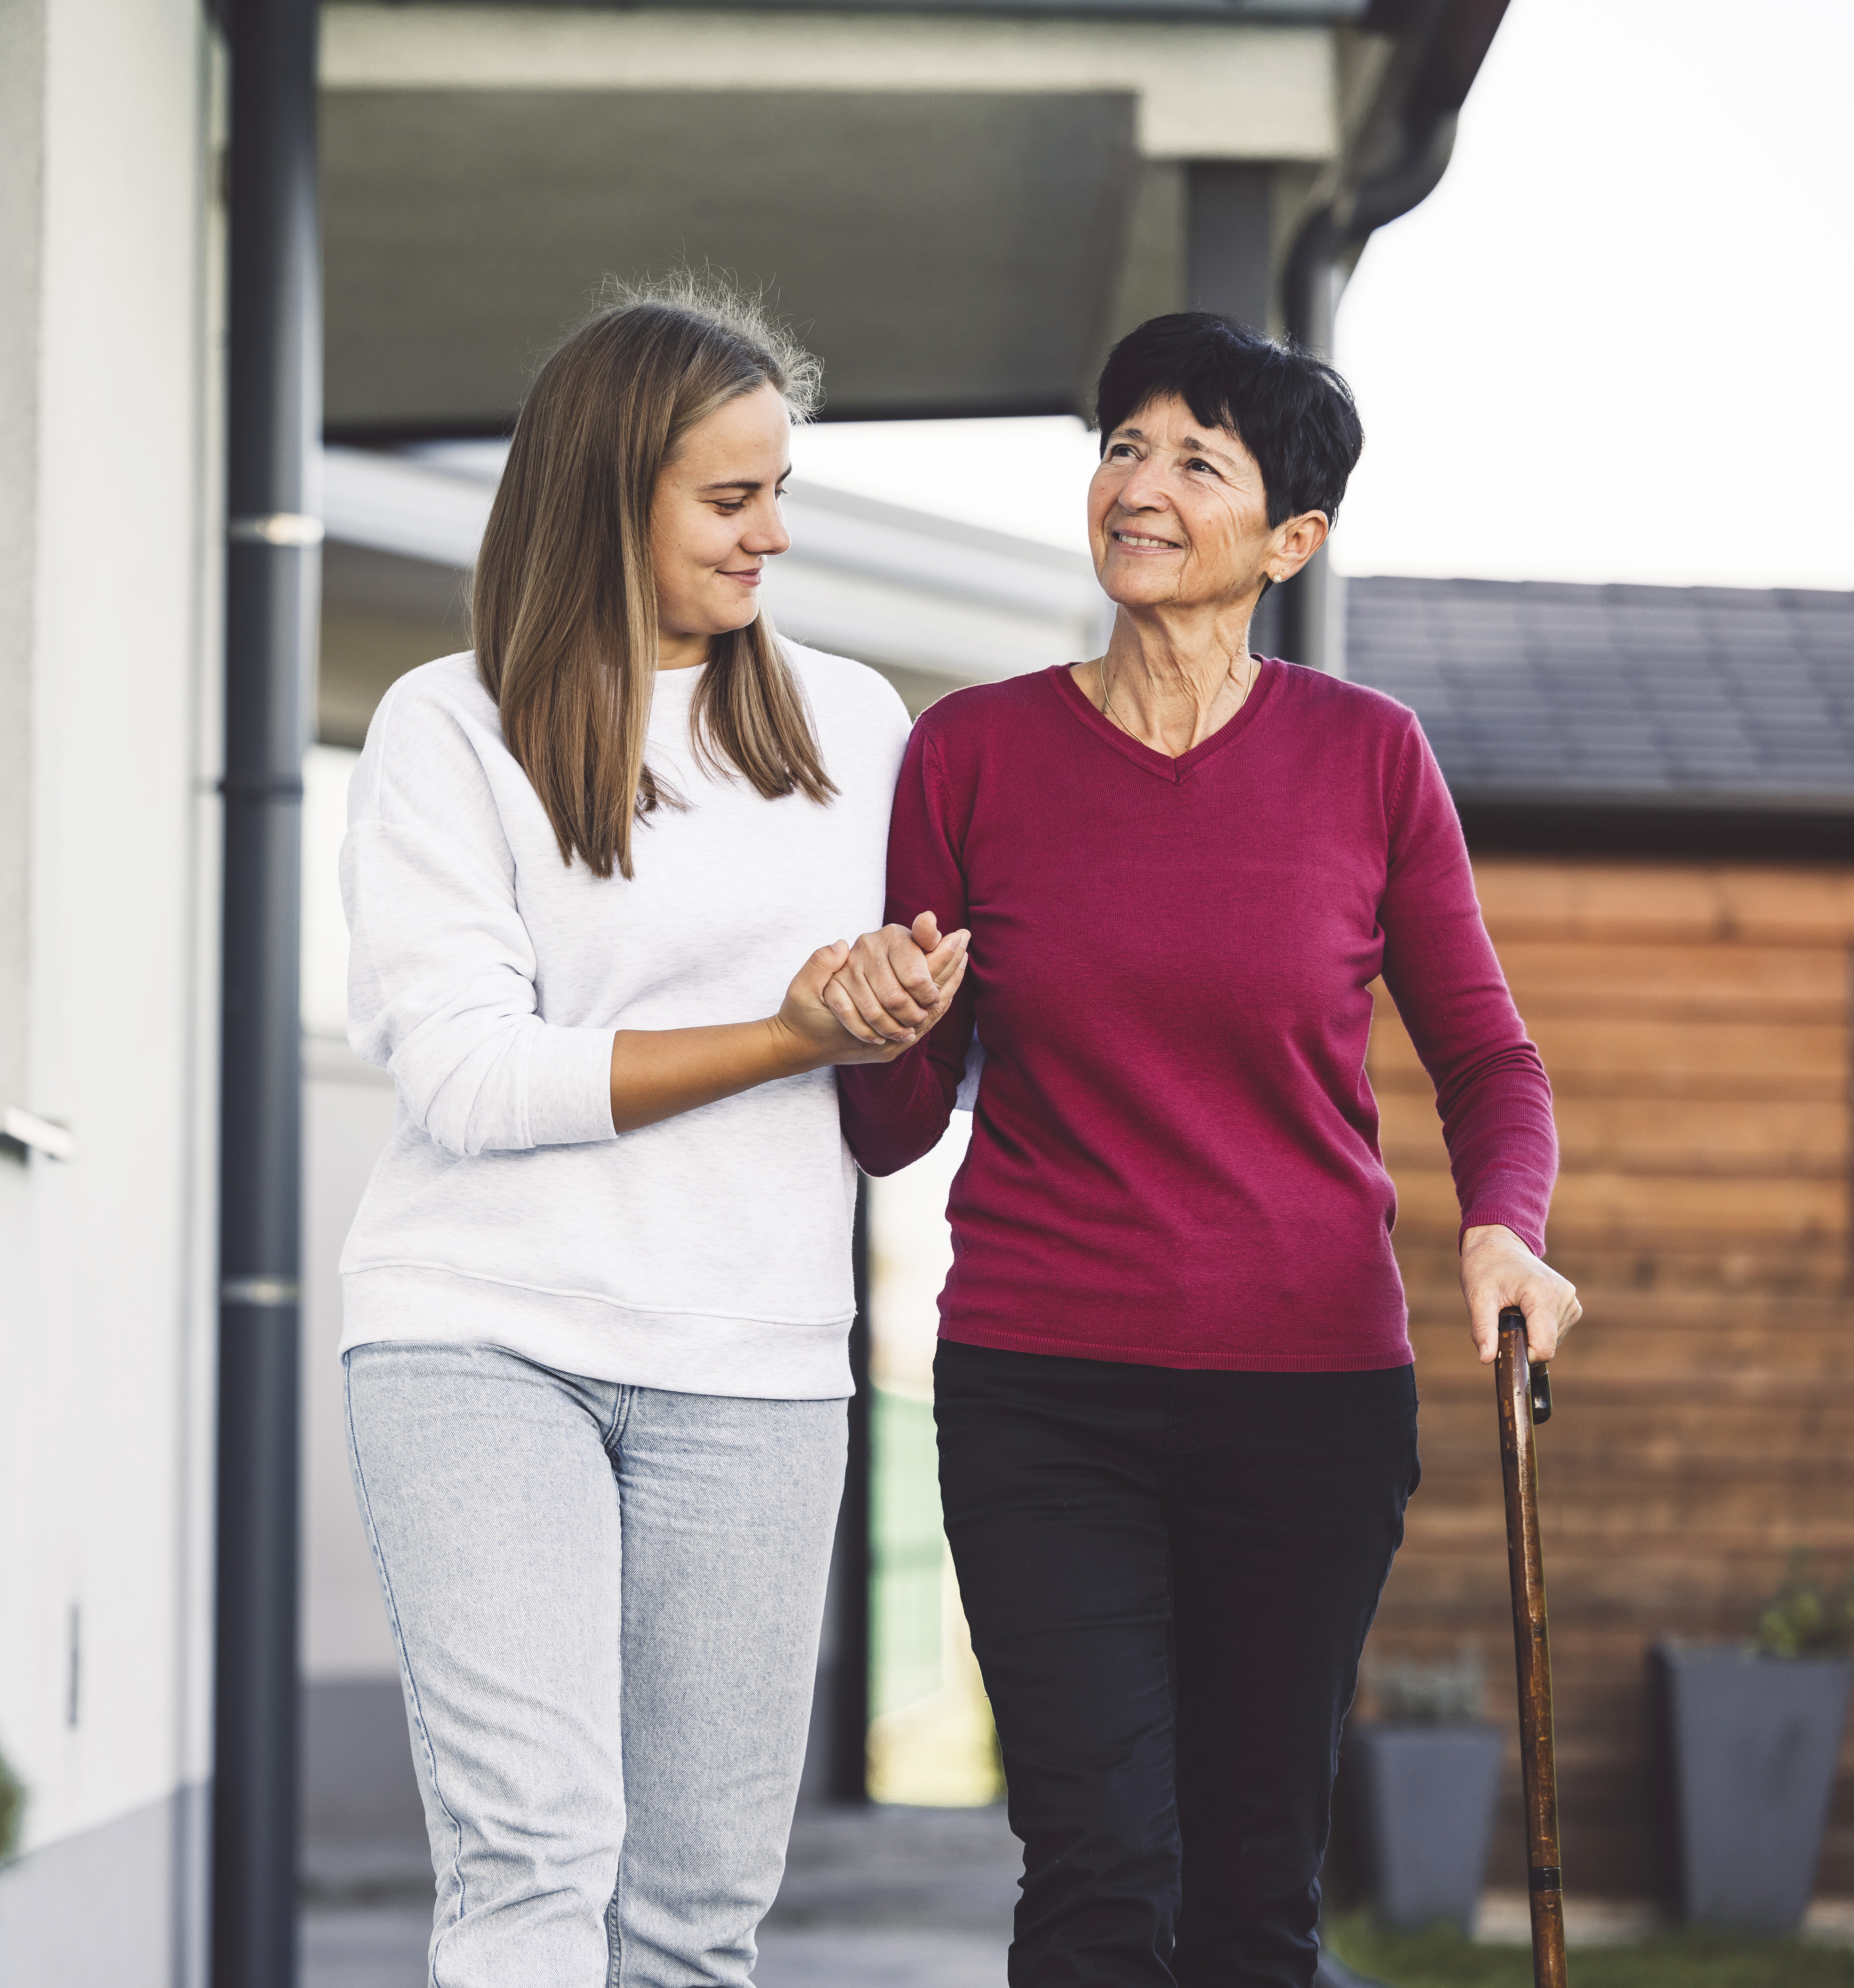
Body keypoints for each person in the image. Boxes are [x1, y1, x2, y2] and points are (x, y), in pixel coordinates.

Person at [837, 311, 1581, 1988]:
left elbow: (1486, 1058)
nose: (1137, 485)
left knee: (1253, 1892)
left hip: (1306, 1398)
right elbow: (891, 1128)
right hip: (1041, 1389)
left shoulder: (1365, 758)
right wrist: (876, 1021)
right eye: (1117, 446)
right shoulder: (968, 755)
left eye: (1193, 459)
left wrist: (1504, 1226)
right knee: (1098, 1869)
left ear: (1289, 537)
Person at [334, 282, 962, 1988]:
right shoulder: (449, 726)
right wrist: (786, 1030)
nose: (771, 534)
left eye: (781, 491)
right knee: (536, 1855)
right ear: (607, 493)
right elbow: (468, 1075)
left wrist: (906, 1006)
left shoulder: (853, 725)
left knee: (694, 1911)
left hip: (755, 1365)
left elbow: (908, 1062)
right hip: (481, 1340)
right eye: (728, 496)